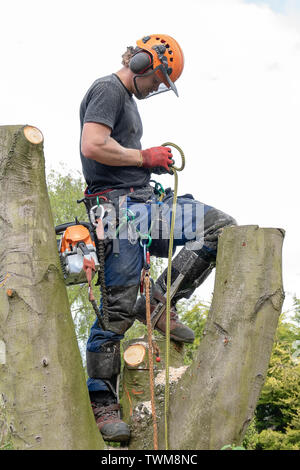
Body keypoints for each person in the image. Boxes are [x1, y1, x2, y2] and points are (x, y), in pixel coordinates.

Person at [79, 34, 237, 443]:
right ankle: (102, 402)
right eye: (159, 80)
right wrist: (142, 157)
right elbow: (93, 144)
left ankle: (155, 301)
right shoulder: (107, 89)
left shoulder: (127, 100)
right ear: (143, 62)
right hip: (117, 214)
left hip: (142, 204)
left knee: (219, 226)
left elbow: (118, 152)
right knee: (115, 310)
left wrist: (148, 169)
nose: (157, 89)